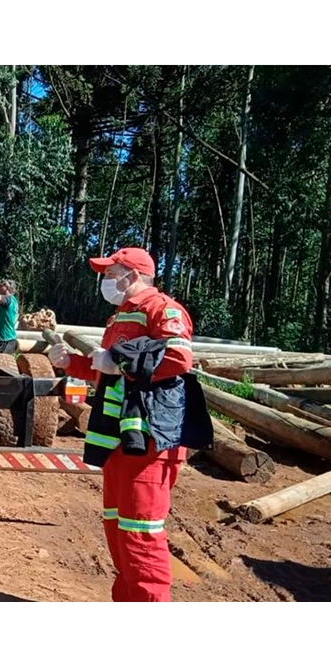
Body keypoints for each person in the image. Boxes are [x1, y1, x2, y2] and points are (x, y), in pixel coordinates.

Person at [46, 247, 211, 602]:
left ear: (131, 275)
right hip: (118, 439)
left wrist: (118, 360)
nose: (106, 280)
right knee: (117, 529)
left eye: (111, 272)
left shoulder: (161, 309)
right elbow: (105, 374)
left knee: (140, 535)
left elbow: (178, 358)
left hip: (149, 440)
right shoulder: (120, 316)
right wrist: (71, 362)